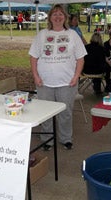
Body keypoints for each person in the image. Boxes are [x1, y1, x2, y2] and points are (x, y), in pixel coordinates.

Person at [29, 4, 87, 151]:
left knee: (66, 113)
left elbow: (80, 58)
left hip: (67, 82)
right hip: (44, 82)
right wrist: (35, 76)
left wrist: (76, 76)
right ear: (50, 17)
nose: (57, 17)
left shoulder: (73, 35)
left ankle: (66, 138)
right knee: (45, 112)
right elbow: (33, 57)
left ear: (65, 17)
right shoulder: (42, 34)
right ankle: (47, 140)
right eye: (54, 14)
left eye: (60, 14)